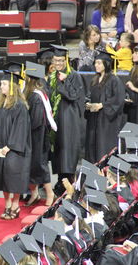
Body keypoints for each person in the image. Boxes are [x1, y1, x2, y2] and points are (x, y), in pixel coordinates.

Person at [0, 71, 31, 220]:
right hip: (1, 147)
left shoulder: (20, 106)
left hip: (15, 149)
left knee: (14, 177)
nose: (1, 86)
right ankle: (7, 204)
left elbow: (21, 129)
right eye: (1, 84)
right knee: (2, 177)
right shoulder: (0, 104)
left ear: (13, 86)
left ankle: (15, 205)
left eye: (4, 84)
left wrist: (10, 146)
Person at [48, 44, 85, 195]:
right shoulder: (52, 76)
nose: (58, 64)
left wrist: (64, 81)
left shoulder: (74, 75)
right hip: (56, 120)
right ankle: (60, 181)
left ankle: (69, 182)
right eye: (56, 60)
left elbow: (73, 96)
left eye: (61, 61)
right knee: (58, 151)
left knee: (67, 151)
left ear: (66, 60)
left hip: (69, 120)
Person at [23, 62, 56, 207]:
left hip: (38, 136)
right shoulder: (32, 93)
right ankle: (35, 193)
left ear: (29, 78)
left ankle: (50, 194)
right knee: (31, 165)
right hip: (33, 135)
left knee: (40, 164)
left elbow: (36, 121)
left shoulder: (36, 96)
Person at [85, 52, 125, 163]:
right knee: (92, 147)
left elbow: (119, 99)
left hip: (107, 123)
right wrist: (88, 104)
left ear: (106, 64)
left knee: (103, 148)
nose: (96, 65)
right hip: (94, 120)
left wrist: (102, 105)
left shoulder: (114, 80)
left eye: (99, 63)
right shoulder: (94, 80)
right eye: (95, 63)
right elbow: (89, 95)